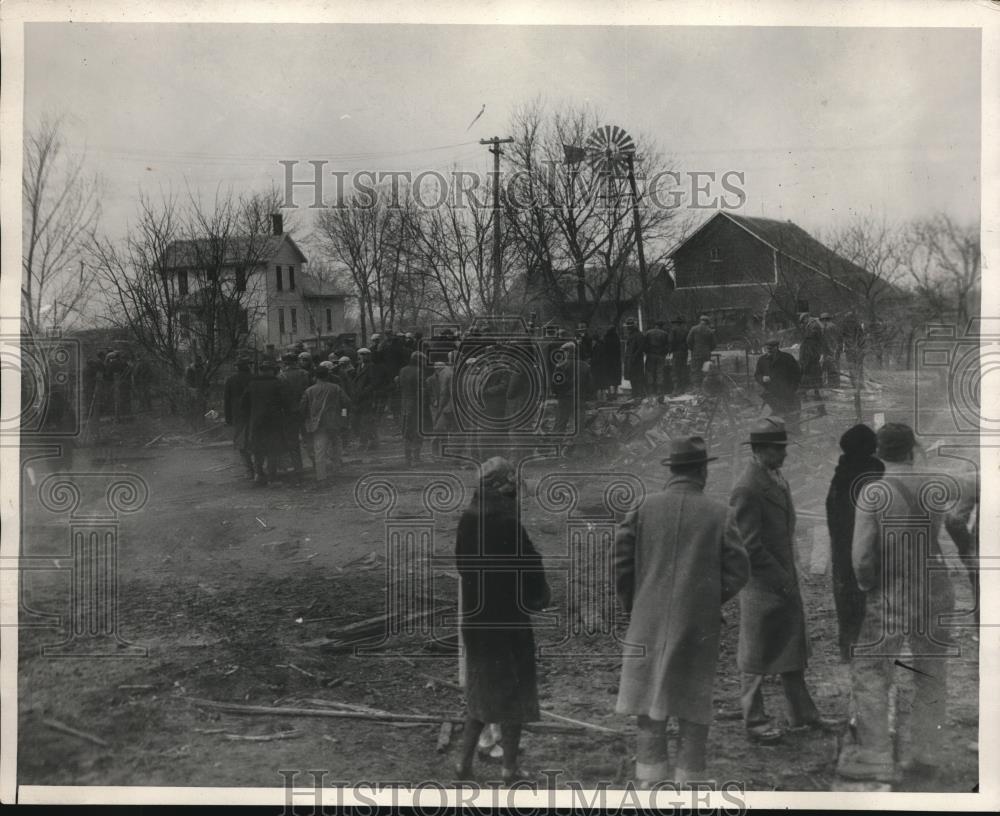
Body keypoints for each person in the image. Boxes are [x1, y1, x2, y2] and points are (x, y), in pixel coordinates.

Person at [614, 436, 749, 788]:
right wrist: (707, 599)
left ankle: (649, 779)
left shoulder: (643, 508)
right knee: (692, 703)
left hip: (646, 621)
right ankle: (690, 784)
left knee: (649, 703)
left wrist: (636, 604)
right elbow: (738, 571)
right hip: (697, 624)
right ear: (702, 471)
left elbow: (621, 563)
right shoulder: (720, 514)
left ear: (672, 471)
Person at [837, 423, 958, 784]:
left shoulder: (873, 492)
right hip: (934, 588)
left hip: (892, 590)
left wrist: (866, 585)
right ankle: (927, 752)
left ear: (877, 452)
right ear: (911, 449)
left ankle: (874, 756)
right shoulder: (934, 486)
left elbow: (861, 557)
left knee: (872, 670)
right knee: (930, 673)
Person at [730, 417, 841, 743]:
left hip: (782, 577)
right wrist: (781, 578)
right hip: (761, 585)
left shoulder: (774, 477)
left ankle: (802, 714)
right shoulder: (748, 487)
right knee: (755, 656)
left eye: (783, 448)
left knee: (792, 648)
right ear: (760, 450)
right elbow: (748, 546)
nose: (784, 455)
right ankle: (754, 721)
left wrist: (789, 573)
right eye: (778, 450)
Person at [453, 457, 550, 783]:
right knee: (514, 696)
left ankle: (464, 764)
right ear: (501, 487)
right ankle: (510, 769)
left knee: (481, 695)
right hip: (507, 622)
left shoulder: (468, 518)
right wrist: (538, 596)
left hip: (476, 622)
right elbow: (529, 566)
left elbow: (463, 566)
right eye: (512, 485)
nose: (516, 492)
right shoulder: (507, 522)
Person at [825, 424, 885, 662]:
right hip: (867, 545)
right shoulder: (874, 471)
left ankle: (847, 647)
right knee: (869, 598)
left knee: (846, 596)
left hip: (841, 547)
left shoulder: (840, 473)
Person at [299, 367, 350, 481]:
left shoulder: (309, 390)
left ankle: (321, 477)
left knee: (320, 450)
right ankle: (336, 470)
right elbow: (346, 403)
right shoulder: (336, 387)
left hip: (318, 424)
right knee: (336, 445)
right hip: (334, 422)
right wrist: (343, 416)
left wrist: (308, 420)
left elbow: (302, 409)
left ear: (315, 377)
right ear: (327, 375)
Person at [241, 359, 286, 486]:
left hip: (256, 421)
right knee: (273, 449)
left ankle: (258, 475)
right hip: (273, 422)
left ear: (260, 371)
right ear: (272, 371)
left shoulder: (252, 384)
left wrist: (251, 415)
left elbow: (244, 403)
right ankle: (272, 478)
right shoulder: (277, 383)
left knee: (258, 449)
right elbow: (285, 401)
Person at [754, 338, 802, 434]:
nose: (769, 350)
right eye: (767, 348)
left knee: (791, 418)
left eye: (771, 348)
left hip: (787, 395)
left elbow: (797, 375)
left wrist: (791, 390)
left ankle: (795, 436)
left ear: (777, 347)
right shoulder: (762, 360)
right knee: (766, 420)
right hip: (770, 395)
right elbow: (757, 374)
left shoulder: (787, 358)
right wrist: (762, 378)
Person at [278, 352, 310, 478]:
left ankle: (298, 468)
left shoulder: (281, 377)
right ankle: (317, 464)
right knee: (309, 438)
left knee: (293, 441)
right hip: (305, 411)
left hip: (289, 413)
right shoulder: (305, 374)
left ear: (285, 363)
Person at [398, 351, 431, 466]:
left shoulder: (402, 370)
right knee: (417, 431)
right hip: (417, 406)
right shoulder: (419, 372)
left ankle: (407, 458)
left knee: (407, 432)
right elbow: (422, 391)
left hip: (405, 404)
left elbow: (399, 386)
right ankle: (416, 457)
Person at [223, 358, 255, 479]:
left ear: (237, 367)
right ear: (248, 366)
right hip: (253, 414)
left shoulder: (231, 380)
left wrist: (228, 418)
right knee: (255, 440)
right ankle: (258, 468)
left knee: (241, 443)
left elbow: (227, 401)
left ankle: (249, 469)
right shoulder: (254, 378)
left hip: (238, 416)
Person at [351, 348, 379, 451]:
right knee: (359, 421)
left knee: (365, 421)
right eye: (360, 354)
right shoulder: (359, 366)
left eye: (364, 355)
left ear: (368, 356)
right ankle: (373, 440)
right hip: (359, 398)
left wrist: (364, 392)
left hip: (367, 398)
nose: (361, 357)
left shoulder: (371, 367)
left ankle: (363, 443)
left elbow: (373, 383)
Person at [643, 320, 671, 397]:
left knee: (650, 372)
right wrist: (664, 353)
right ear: (661, 326)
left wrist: (647, 352)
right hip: (660, 355)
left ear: (655, 325)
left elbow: (644, 344)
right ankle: (659, 390)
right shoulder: (665, 334)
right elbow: (668, 345)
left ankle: (651, 390)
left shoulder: (648, 333)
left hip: (651, 355)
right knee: (660, 371)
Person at [797, 312, 824, 394]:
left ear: (806, 318)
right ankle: (814, 390)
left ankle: (813, 390)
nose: (803, 323)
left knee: (810, 369)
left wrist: (805, 342)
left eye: (803, 321)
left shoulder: (814, 325)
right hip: (811, 350)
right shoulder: (811, 324)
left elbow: (813, 337)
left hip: (812, 351)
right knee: (811, 370)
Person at [687, 314, 716, 389]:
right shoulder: (710, 331)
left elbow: (688, 341)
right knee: (706, 370)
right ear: (707, 322)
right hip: (706, 354)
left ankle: (696, 388)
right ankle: (705, 388)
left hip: (696, 353)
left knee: (695, 370)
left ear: (700, 321)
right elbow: (714, 344)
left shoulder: (694, 329)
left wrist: (693, 349)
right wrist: (708, 349)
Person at [623, 318, 646, 399]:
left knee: (638, 377)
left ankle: (640, 394)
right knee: (632, 377)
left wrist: (634, 357)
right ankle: (635, 394)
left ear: (633, 327)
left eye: (629, 326)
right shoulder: (631, 335)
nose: (628, 328)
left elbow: (641, 348)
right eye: (627, 326)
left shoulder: (639, 335)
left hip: (636, 360)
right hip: (631, 359)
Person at [820, 313, 843, 388]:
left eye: (822, 320)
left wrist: (830, 351)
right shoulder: (834, 326)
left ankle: (833, 384)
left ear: (824, 320)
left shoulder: (827, 327)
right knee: (834, 366)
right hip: (836, 349)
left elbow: (828, 340)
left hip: (831, 350)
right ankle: (835, 383)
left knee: (831, 366)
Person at [669, 317, 689, 393]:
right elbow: (688, 341)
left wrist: (670, 350)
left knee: (675, 370)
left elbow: (671, 341)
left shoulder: (673, 330)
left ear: (676, 323)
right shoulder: (685, 331)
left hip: (676, 352)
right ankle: (683, 388)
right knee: (683, 369)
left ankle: (676, 388)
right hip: (684, 352)